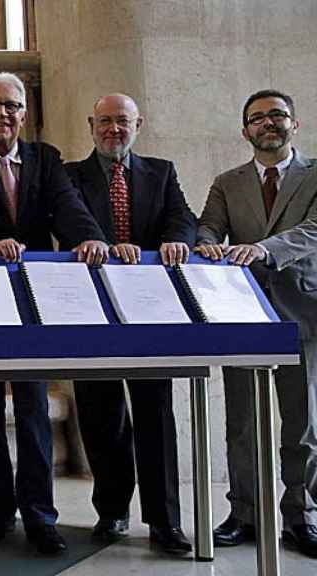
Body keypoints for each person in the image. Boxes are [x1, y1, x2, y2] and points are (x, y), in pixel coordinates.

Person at [0, 72, 108, 555]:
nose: (2, 114)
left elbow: (66, 205)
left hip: (33, 302)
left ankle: (40, 515)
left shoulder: (45, 158)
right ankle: (0, 505)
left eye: (11, 106)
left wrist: (88, 236)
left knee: (32, 409)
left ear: (23, 114)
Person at [64, 94, 195, 555]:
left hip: (149, 310)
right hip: (90, 309)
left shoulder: (162, 171)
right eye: (104, 121)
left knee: (156, 416)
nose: (113, 129)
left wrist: (176, 242)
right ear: (90, 124)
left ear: (138, 123)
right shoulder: (70, 175)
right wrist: (97, 242)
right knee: (101, 418)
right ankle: (112, 510)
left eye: (122, 121)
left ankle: (164, 522)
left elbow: (183, 218)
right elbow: (66, 219)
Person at [196, 88, 317, 558]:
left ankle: (301, 515)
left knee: (302, 423)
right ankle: (243, 513)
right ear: (245, 130)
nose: (269, 123)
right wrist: (206, 244)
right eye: (258, 118)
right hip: (241, 311)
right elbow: (208, 225)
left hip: (301, 312)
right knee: (241, 422)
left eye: (278, 115)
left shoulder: (315, 174)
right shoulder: (227, 181)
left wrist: (265, 250)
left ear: (294, 124)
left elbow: (313, 230)